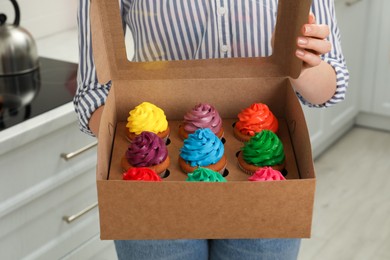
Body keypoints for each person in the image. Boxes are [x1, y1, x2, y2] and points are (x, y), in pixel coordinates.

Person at [74, 1, 349, 259]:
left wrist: (301, 61)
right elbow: (93, 93)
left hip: (266, 193)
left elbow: (331, 85)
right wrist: (141, 142)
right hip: (151, 194)